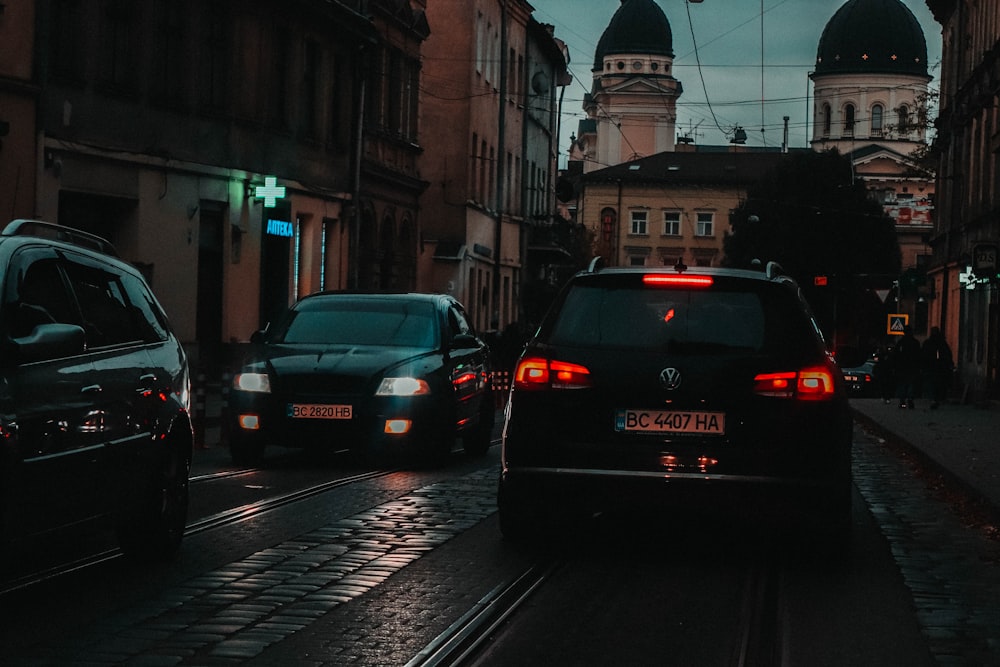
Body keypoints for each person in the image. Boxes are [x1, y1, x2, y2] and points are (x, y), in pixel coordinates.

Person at [921, 326, 954, 408]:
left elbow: (923, 355)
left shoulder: (929, 343)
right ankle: (936, 399)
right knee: (937, 383)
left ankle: (934, 399)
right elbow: (948, 355)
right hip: (939, 368)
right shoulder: (942, 343)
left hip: (932, 367)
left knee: (933, 383)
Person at [893, 325, 921, 409]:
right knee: (910, 384)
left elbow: (896, 355)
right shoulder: (915, 342)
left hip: (902, 367)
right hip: (912, 367)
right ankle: (910, 399)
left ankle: (903, 401)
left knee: (903, 384)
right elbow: (919, 356)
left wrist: (895, 366)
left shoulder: (901, 342)